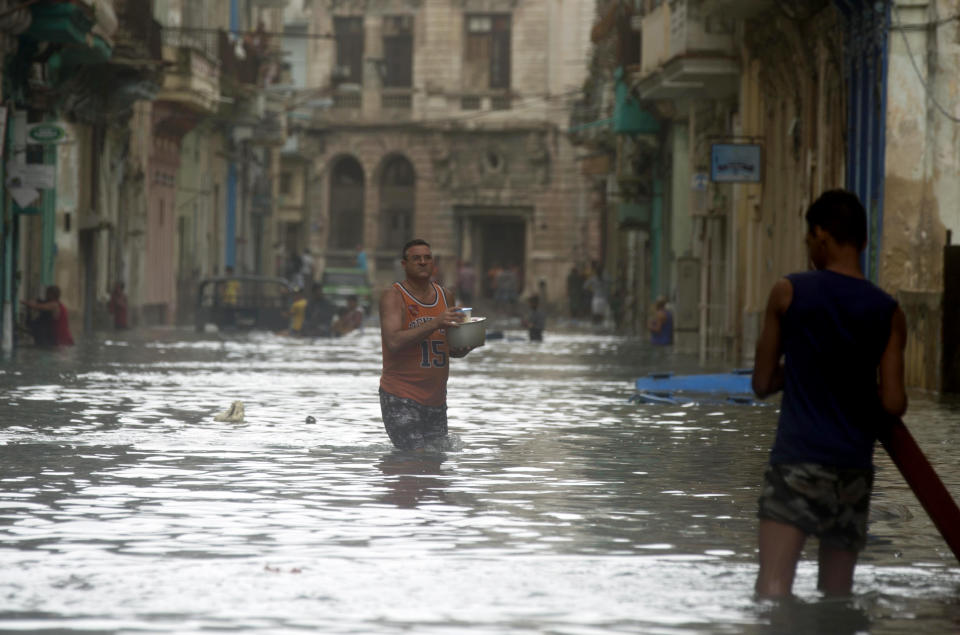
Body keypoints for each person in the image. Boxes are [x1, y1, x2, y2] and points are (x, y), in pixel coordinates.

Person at [751, 189, 907, 598]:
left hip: (797, 464)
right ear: (864, 241)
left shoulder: (788, 293)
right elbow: (893, 403)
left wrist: (804, 367)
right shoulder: (888, 311)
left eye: (808, 240)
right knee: (837, 597)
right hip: (852, 471)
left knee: (772, 589)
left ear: (820, 235)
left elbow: (762, 383)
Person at [379, 239, 476, 450]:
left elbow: (447, 346)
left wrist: (466, 345)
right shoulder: (394, 296)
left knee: (435, 465)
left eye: (427, 258)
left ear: (434, 263)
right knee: (416, 458)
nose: (423, 262)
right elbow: (393, 342)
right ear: (404, 265)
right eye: (416, 258)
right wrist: (435, 322)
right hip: (401, 396)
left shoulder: (445, 295)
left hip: (436, 400)